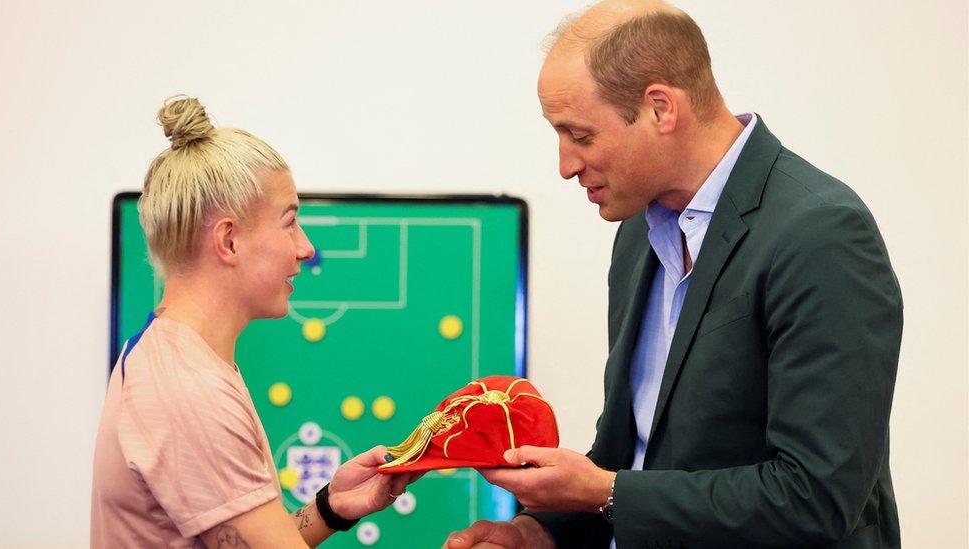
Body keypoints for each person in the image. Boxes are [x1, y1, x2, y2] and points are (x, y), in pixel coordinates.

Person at [446, 1, 902, 548]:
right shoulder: (638, 235)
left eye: (580, 136)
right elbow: (638, 453)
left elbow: (816, 497)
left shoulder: (821, 233)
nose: (565, 164)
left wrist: (604, 492)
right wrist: (537, 532)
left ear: (661, 108)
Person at [91, 97, 414, 548]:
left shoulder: (171, 359)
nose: (305, 248)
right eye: (290, 223)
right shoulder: (190, 390)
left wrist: (331, 506)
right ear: (229, 240)